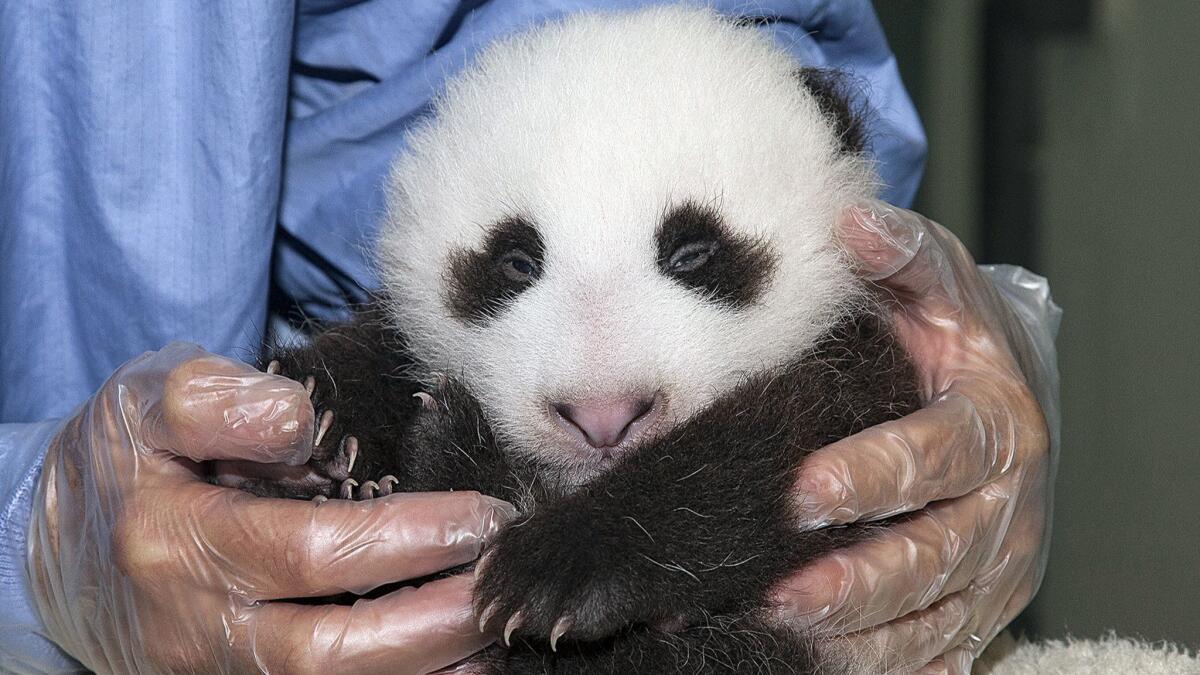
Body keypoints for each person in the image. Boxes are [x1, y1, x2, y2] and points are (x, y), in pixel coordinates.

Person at [0, 1, 1060, 673]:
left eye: (693, 258)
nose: (600, 380)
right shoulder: (427, 339)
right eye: (516, 267)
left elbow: (626, 75)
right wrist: (30, 528)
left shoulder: (820, 316)